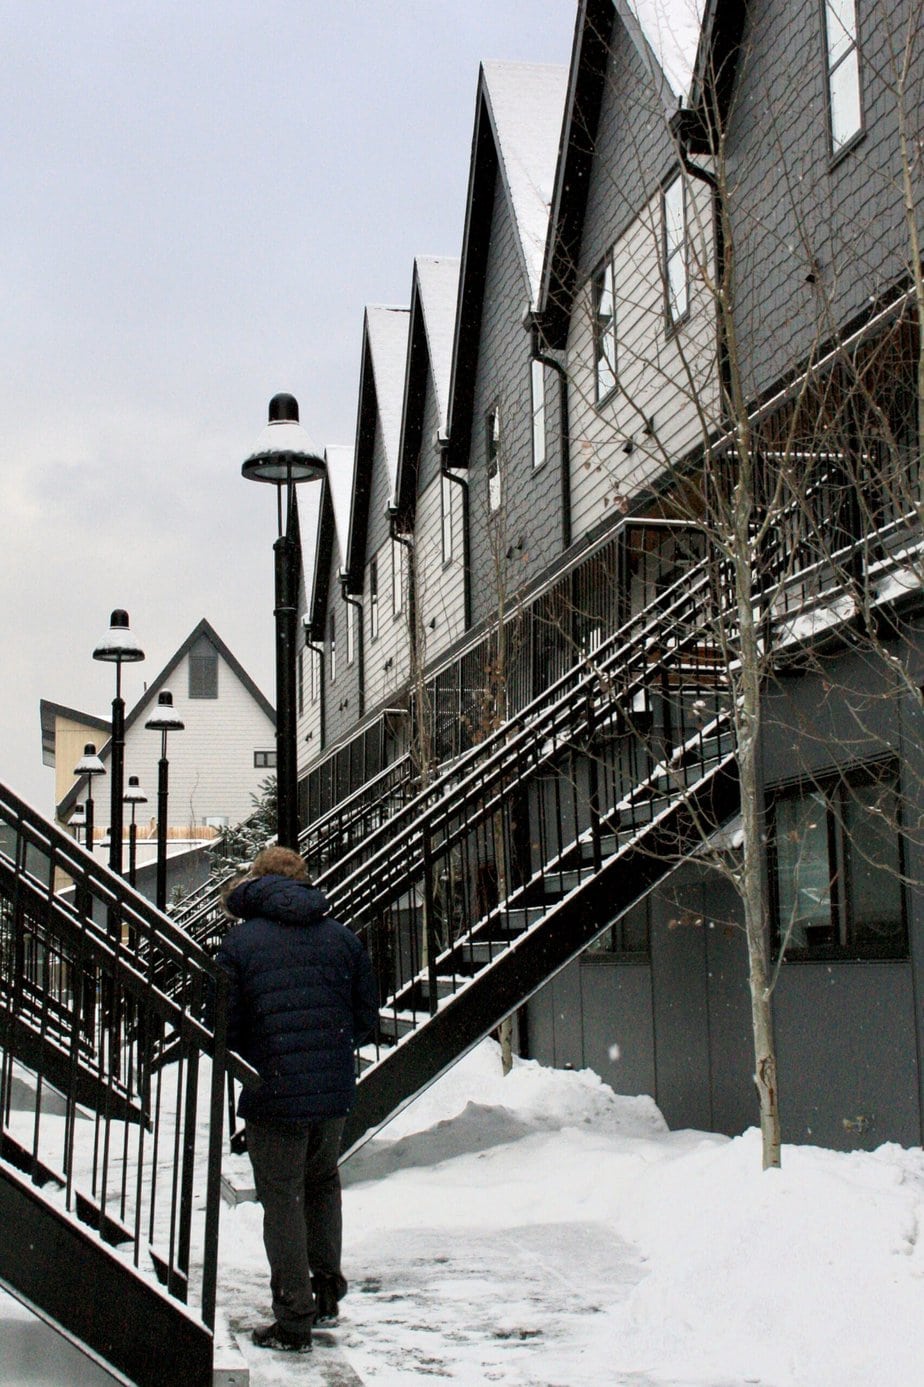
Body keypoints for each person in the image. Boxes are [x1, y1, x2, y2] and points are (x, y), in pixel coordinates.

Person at [216, 845, 378, 1353]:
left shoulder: (240, 945)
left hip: (274, 1088)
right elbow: (367, 1021)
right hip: (330, 1091)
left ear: (257, 881)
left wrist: (262, 1053)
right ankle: (327, 1292)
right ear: (303, 880)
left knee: (282, 1198)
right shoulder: (344, 940)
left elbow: (225, 1025)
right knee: (323, 1185)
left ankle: (293, 1316)